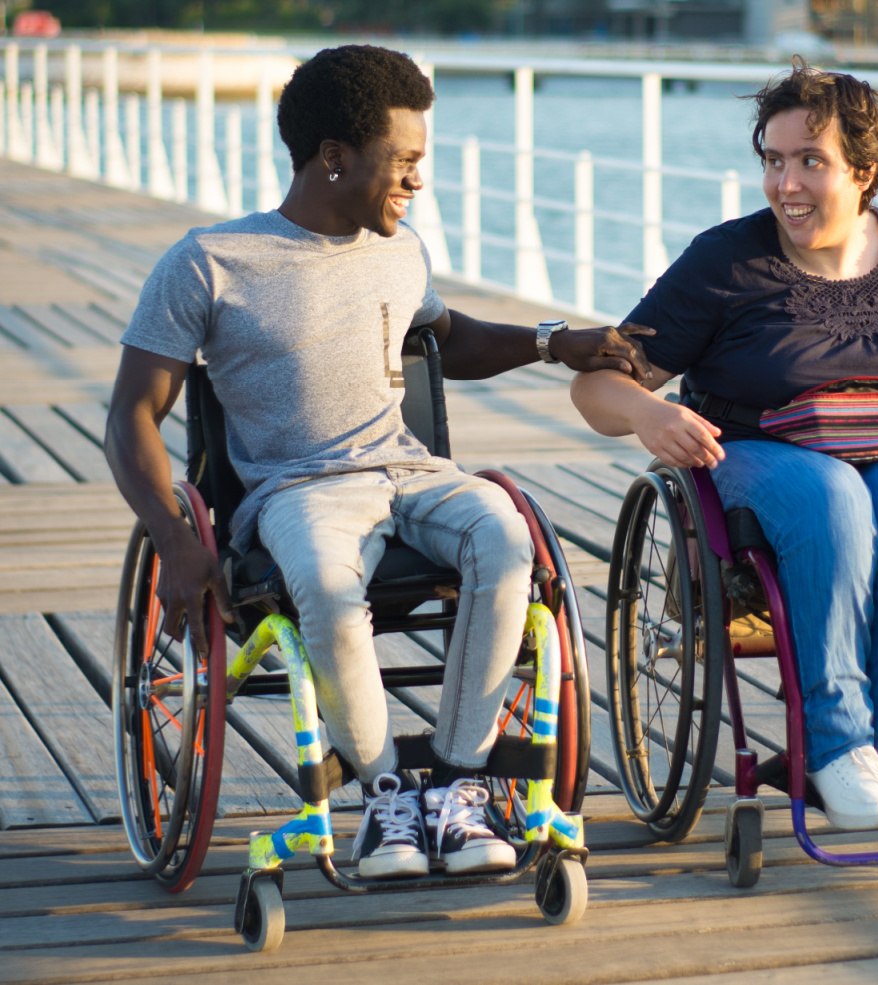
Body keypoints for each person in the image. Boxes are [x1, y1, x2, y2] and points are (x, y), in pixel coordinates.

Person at [106, 45, 650, 880]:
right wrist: (178, 540)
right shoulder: (207, 263)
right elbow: (132, 414)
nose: (416, 180)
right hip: (298, 488)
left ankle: (455, 784)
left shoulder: (398, 248)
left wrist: (555, 342)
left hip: (412, 473)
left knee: (507, 540)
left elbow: (449, 336)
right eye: (403, 161)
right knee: (325, 587)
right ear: (334, 157)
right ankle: (386, 792)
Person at [571, 61, 878, 833]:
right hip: (759, 453)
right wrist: (646, 413)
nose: (785, 183)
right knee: (833, 498)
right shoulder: (725, 261)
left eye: (809, 162)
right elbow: (598, 383)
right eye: (773, 161)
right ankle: (838, 746)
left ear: (864, 171)